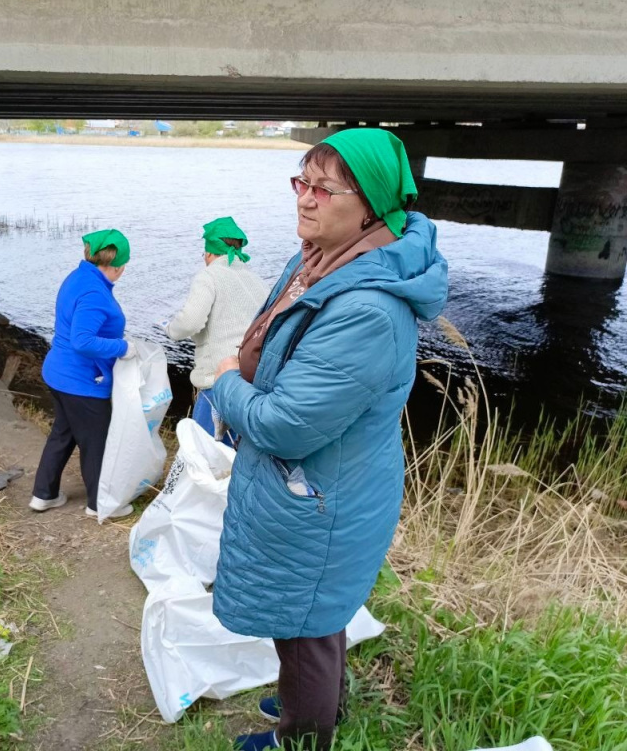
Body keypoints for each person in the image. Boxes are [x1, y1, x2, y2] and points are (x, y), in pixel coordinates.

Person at [210, 129, 448, 751]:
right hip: (316, 485)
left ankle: (304, 734)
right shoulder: (318, 259)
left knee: (307, 623)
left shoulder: (366, 310)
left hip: (322, 497)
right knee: (312, 616)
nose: (305, 200)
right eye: (301, 182)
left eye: (325, 188)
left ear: (369, 204)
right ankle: (309, 696)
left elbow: (286, 423)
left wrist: (225, 385)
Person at [29, 228, 136, 519]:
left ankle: (44, 494)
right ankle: (99, 504)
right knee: (96, 442)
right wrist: (123, 347)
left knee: (63, 433)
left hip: (58, 373)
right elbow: (83, 340)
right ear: (116, 265)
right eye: (124, 265)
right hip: (82, 382)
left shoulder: (78, 277)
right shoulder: (95, 294)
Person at [164, 216, 269, 445]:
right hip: (251, 386)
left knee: (205, 458)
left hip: (218, 385)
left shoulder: (209, 275)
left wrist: (171, 330)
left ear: (209, 253)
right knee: (236, 458)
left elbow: (190, 321)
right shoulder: (257, 281)